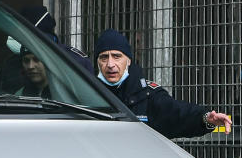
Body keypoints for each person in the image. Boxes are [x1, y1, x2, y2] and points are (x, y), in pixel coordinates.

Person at [94, 28, 232, 139]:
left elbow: (176, 112)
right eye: (104, 57)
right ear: (97, 62)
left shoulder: (147, 94)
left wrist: (206, 118)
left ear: (128, 61)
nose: (110, 64)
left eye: (117, 56)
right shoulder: (86, 93)